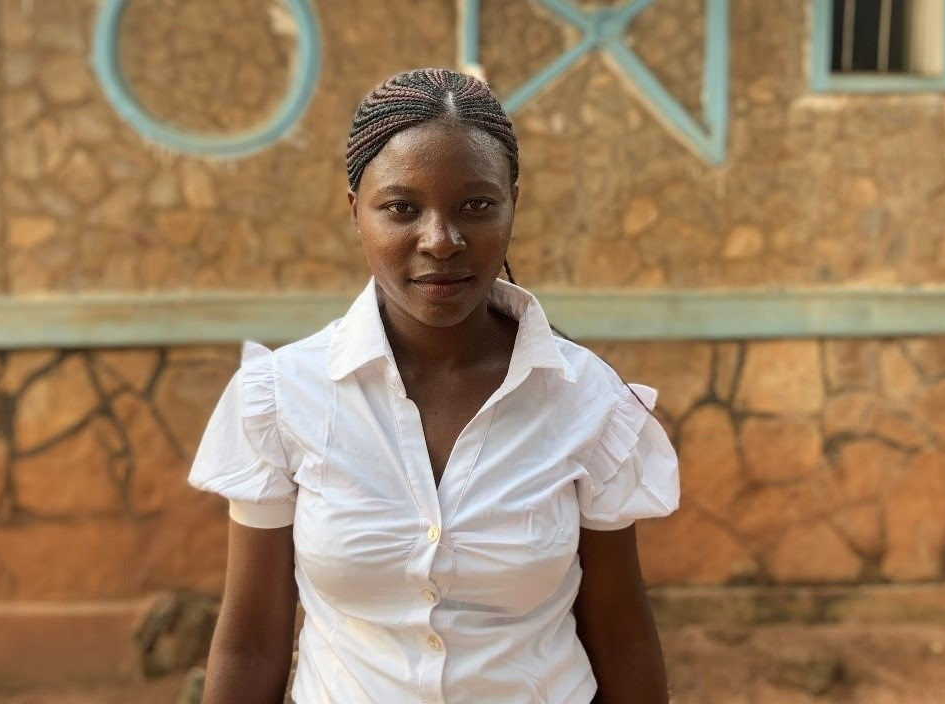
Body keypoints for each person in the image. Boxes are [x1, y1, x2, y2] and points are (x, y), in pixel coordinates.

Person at [190, 68, 680, 704]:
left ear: (513, 204)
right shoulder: (283, 398)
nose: (440, 241)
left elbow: (621, 639)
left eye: (476, 205)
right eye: (401, 208)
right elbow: (252, 643)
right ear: (354, 212)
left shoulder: (588, 401)